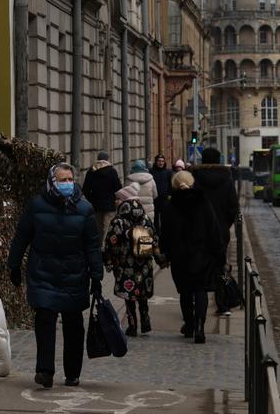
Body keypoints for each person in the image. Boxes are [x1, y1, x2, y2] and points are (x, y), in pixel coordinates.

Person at [9, 162, 104, 389]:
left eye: (70, 179)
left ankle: (72, 373)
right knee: (44, 319)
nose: (67, 184)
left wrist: (97, 276)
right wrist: (13, 265)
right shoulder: (37, 206)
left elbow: (92, 246)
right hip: (44, 273)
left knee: (73, 325)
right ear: (52, 181)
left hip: (74, 274)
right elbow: (22, 236)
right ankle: (45, 370)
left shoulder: (84, 208)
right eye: (62, 180)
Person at [160, 171, 224, 344]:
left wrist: (164, 252)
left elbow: (165, 232)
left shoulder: (171, 205)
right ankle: (200, 327)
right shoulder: (203, 203)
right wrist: (219, 255)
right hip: (202, 255)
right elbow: (214, 231)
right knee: (200, 289)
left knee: (185, 291)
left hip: (179, 256)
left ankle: (188, 325)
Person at [103, 196, 165, 337]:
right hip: (144, 264)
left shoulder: (118, 222)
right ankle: (145, 318)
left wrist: (108, 261)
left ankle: (132, 324)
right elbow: (155, 240)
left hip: (125, 265)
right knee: (142, 292)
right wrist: (159, 259)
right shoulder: (145, 220)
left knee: (129, 295)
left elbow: (110, 244)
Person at [190, 147, 240, 316]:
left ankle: (197, 305)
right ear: (218, 160)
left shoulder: (194, 177)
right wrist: (224, 225)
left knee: (196, 267)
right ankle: (222, 304)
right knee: (219, 266)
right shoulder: (227, 179)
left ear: (203, 160)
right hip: (220, 231)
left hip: (197, 231)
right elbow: (233, 207)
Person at [82, 150, 121, 234]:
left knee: (97, 228)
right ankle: (105, 245)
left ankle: (98, 245)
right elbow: (118, 188)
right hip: (109, 204)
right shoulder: (112, 171)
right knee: (108, 228)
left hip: (96, 204)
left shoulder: (91, 171)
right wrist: (115, 199)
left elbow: (85, 189)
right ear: (107, 159)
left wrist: (91, 200)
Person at [150, 155, 173, 235]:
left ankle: (164, 233)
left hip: (165, 199)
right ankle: (156, 233)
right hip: (154, 199)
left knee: (164, 217)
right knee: (155, 217)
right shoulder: (151, 172)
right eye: (159, 161)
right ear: (156, 162)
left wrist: (170, 196)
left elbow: (171, 185)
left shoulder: (168, 172)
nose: (161, 163)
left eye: (162, 161)